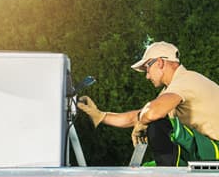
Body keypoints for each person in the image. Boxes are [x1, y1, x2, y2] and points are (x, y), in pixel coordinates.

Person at [78, 41, 219, 166]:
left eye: (147, 68)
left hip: (215, 152)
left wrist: (144, 122)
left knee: (158, 124)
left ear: (159, 62)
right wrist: (100, 115)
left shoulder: (186, 80)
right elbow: (140, 115)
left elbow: (151, 113)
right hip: (207, 151)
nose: (147, 76)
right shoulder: (172, 91)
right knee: (147, 169)